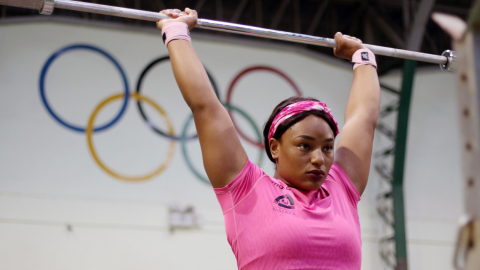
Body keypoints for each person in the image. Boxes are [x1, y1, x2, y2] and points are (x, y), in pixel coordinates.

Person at [157, 8, 380, 270]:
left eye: (328, 148)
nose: (319, 158)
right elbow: (205, 107)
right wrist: (176, 31)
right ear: (274, 147)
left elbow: (364, 118)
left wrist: (362, 56)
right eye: (304, 146)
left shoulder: (341, 187)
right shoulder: (246, 189)